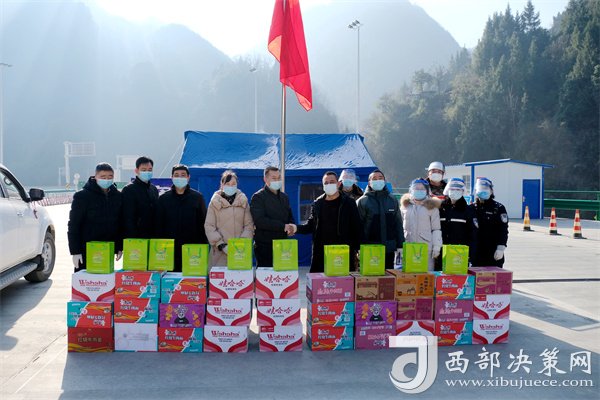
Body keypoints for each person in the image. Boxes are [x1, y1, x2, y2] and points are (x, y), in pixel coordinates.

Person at [296, 171, 363, 273]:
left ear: (338, 184)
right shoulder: (318, 203)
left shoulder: (349, 203)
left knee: (343, 281)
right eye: (326, 183)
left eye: (332, 182)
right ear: (323, 186)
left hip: (342, 252)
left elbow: (357, 227)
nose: (329, 185)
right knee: (322, 282)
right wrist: (295, 228)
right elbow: (310, 225)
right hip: (322, 254)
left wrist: (359, 248)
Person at [68, 162, 122, 272]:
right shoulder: (82, 196)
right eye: (103, 177)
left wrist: (119, 247)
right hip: (86, 250)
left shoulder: (117, 196)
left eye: (110, 177)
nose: (107, 179)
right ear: (95, 176)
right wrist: (75, 251)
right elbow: (74, 225)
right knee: (86, 281)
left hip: (107, 249)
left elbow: (120, 223)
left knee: (105, 280)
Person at [155, 164, 208, 272]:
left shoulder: (197, 198)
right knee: (170, 280)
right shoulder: (164, 198)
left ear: (188, 177)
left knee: (190, 279)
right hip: (169, 250)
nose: (179, 178)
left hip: (192, 249)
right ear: (172, 177)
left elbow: (203, 223)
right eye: (176, 175)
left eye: (183, 175)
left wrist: (202, 246)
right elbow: (158, 225)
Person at [204, 170, 254, 267]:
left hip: (240, 253)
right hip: (219, 253)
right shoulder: (214, 203)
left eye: (233, 184)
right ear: (222, 185)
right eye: (227, 184)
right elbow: (209, 226)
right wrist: (221, 245)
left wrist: (241, 244)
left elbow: (249, 225)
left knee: (240, 276)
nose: (231, 186)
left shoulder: (243, 201)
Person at [356, 169, 404, 268]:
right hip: (370, 248)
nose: (378, 180)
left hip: (389, 248)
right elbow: (358, 227)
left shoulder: (392, 200)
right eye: (374, 179)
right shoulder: (362, 201)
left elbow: (398, 223)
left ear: (384, 181)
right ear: (369, 182)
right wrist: (358, 247)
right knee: (371, 276)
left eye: (380, 178)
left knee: (388, 276)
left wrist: (400, 245)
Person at [250, 166, 296, 267]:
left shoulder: (284, 197)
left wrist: (292, 226)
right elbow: (259, 221)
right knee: (265, 275)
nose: (277, 180)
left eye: (279, 178)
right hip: (264, 246)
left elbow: (289, 215)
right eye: (274, 178)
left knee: (283, 274)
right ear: (265, 179)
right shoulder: (258, 197)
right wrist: (283, 226)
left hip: (283, 246)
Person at [400, 179, 442, 271]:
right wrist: (399, 246)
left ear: (426, 191)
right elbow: (399, 228)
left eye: (422, 189)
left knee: (426, 274)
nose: (419, 190)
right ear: (411, 190)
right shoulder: (405, 207)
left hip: (426, 247)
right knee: (408, 275)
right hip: (408, 245)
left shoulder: (432, 208)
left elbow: (436, 229)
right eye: (416, 188)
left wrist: (437, 246)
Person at [437, 178, 478, 271]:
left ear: (463, 191)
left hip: (459, 254)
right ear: (447, 190)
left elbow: (473, 234)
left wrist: (470, 255)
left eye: (458, 189)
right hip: (440, 253)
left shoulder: (469, 210)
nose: (455, 191)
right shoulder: (440, 208)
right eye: (452, 189)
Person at [469, 177, 509, 268]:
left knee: (493, 276)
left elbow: (503, 230)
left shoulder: (498, 208)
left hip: (493, 251)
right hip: (475, 253)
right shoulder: (471, 208)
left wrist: (501, 248)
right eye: (481, 189)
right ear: (476, 191)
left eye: (486, 189)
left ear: (491, 191)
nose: (483, 191)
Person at [121, 156, 159, 239]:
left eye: (150, 170)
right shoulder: (129, 189)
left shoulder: (153, 189)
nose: (147, 172)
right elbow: (127, 217)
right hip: (135, 237)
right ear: (136, 171)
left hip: (152, 236)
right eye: (143, 170)